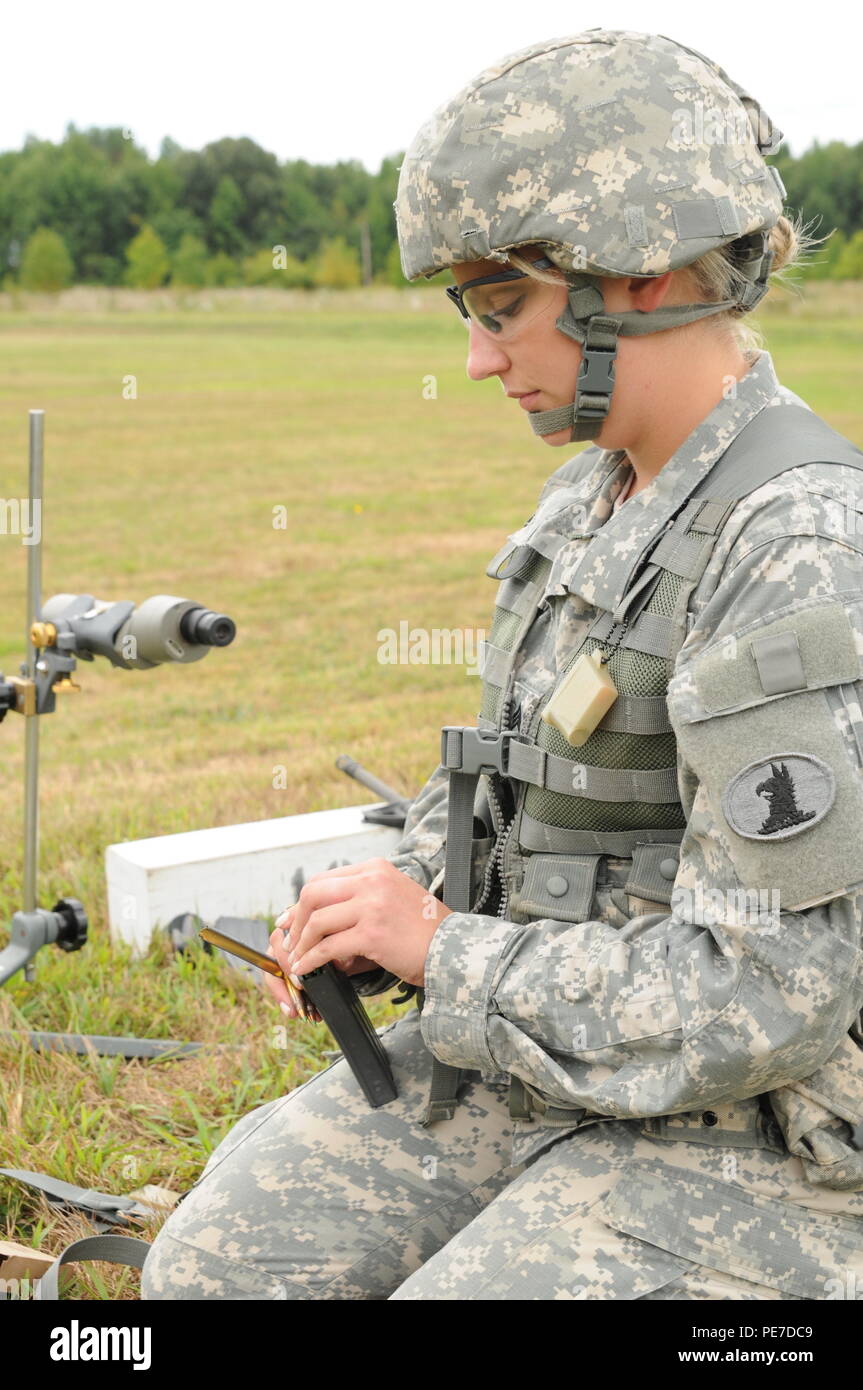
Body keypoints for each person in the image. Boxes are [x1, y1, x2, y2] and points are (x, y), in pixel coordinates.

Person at [141, 28, 863, 1301]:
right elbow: (522, 785)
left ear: (638, 275)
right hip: (544, 1050)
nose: (478, 361)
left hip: (767, 1126)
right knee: (217, 1270)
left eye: (500, 309)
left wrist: (443, 952)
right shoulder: (588, 499)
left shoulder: (794, 541)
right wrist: (401, 893)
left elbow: (768, 993)